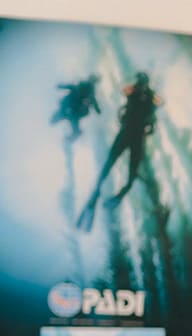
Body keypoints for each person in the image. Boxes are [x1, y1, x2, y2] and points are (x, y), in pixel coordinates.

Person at [77, 72, 162, 231]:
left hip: (130, 135)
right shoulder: (137, 93)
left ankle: (112, 196)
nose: (140, 85)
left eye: (142, 82)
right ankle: (99, 194)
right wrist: (142, 89)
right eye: (140, 82)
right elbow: (125, 91)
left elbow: (156, 107)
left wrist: (147, 92)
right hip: (130, 135)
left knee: (127, 171)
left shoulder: (146, 97)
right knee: (111, 165)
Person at [50, 75, 101, 139]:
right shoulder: (81, 86)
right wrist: (61, 86)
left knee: (75, 129)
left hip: (74, 112)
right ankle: (70, 137)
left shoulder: (89, 92)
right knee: (57, 119)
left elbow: (93, 100)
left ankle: (69, 139)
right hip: (69, 108)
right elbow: (70, 86)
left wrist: (97, 108)